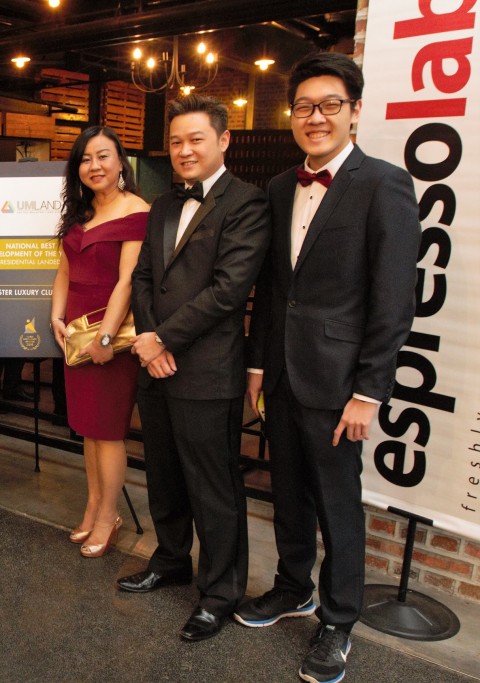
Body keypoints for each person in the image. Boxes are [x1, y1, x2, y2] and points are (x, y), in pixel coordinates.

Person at [237, 52, 420, 683]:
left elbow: (395, 300)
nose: (316, 117)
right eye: (305, 107)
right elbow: (272, 290)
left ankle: (339, 619)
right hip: (282, 374)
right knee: (286, 490)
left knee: (338, 502)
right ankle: (295, 588)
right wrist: (258, 369)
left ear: (355, 112)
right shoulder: (281, 186)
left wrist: (371, 391)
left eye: (330, 105)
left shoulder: (385, 184)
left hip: (341, 382)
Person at [119, 95, 269, 642]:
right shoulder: (160, 204)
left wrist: (161, 337)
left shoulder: (247, 203)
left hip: (206, 369)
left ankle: (221, 592)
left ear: (223, 140)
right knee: (162, 472)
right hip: (154, 364)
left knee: (214, 485)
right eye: (176, 142)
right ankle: (171, 557)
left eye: (195, 140)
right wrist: (148, 343)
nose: (184, 150)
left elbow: (228, 291)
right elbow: (141, 277)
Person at [49, 125, 147, 558]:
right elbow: (65, 271)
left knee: (108, 432)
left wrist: (105, 336)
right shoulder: (81, 213)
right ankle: (93, 506)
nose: (95, 166)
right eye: (86, 159)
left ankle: (109, 516)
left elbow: (127, 281)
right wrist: (56, 314)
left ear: (120, 160)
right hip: (75, 334)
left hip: (110, 335)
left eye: (103, 156)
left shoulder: (136, 209)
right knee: (88, 430)